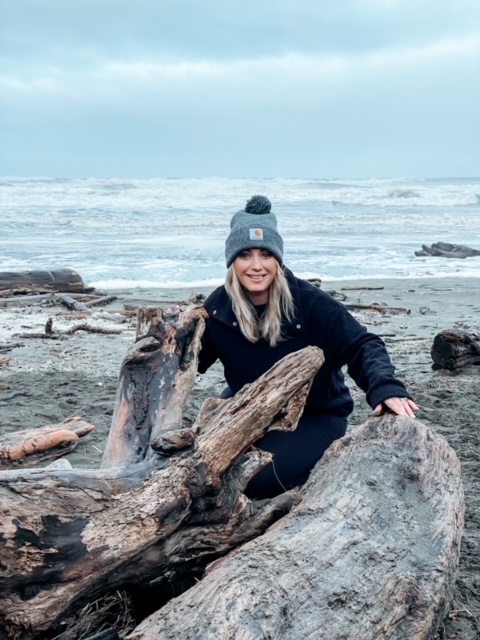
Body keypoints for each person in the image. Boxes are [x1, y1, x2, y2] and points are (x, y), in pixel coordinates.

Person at [198, 195, 418, 499]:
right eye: (245, 255)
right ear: (232, 261)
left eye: (266, 254)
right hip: (246, 408)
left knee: (254, 482)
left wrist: (386, 388)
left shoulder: (309, 302)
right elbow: (190, 360)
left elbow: (362, 344)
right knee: (203, 472)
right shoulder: (219, 307)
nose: (256, 266)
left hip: (314, 415)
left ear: (278, 258)